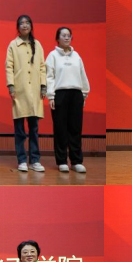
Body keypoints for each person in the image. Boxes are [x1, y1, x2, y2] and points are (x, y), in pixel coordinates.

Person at [45, 27, 91, 173]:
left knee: (75, 129)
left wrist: (84, 94)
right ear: (57, 38)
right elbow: (49, 77)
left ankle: (76, 161)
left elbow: (82, 74)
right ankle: (62, 161)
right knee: (60, 129)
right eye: (63, 35)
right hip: (60, 94)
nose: (66, 38)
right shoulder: (52, 56)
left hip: (76, 94)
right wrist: (51, 96)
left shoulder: (76, 56)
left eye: (69, 35)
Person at [6, 15, 47, 173]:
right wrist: (11, 85)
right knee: (20, 130)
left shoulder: (37, 44)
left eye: (27, 22)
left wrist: (43, 86)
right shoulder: (13, 45)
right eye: (21, 23)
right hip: (19, 90)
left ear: (31, 26)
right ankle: (22, 160)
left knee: (34, 128)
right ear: (18, 27)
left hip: (35, 91)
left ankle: (35, 160)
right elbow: (9, 66)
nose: (25, 25)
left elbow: (42, 66)